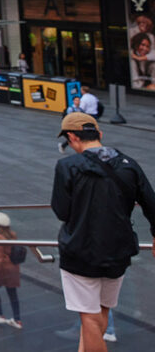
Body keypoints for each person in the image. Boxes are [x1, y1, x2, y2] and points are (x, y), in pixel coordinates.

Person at [50, 112, 155, 352]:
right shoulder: (129, 164)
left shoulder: (67, 166)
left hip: (80, 250)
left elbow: (62, 211)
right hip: (118, 251)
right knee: (101, 311)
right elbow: (151, 203)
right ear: (100, 134)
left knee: (88, 317)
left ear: (72, 137)